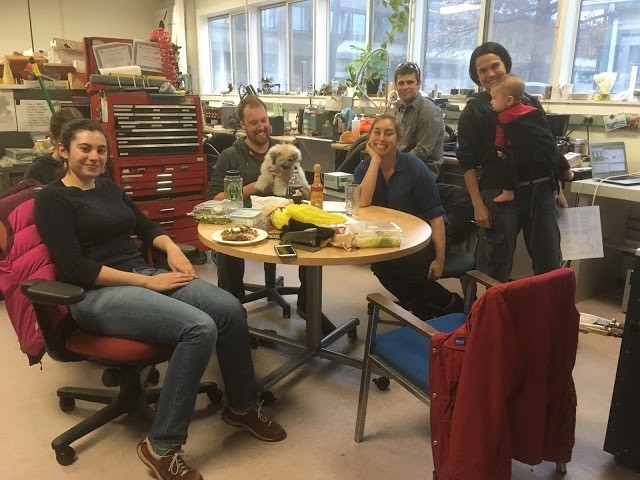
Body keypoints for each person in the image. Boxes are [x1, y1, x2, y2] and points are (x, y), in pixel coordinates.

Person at [34, 119, 286, 480]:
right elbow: (75, 268)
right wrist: (146, 283)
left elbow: (147, 228)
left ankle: (242, 407)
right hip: (95, 295)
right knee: (199, 328)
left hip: (142, 274)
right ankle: (161, 446)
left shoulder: (109, 188)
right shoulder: (52, 198)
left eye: (101, 149)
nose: (94, 157)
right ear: (63, 150)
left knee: (229, 309)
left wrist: (171, 249)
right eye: (84, 149)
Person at [206, 96, 336, 334]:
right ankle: (233, 318)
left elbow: (307, 192)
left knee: (313, 237)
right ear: (243, 125)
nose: (261, 127)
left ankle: (309, 305)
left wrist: (292, 179)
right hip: (244, 220)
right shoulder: (231, 155)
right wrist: (255, 185)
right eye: (253, 122)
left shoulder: (285, 150)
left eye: (264, 120)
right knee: (226, 250)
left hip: (282, 220)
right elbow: (214, 198)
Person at [456, 42, 563, 283]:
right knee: (495, 265)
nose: (490, 74)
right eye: (482, 71)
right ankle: (486, 316)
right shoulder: (474, 111)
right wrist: (477, 205)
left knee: (549, 261)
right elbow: (467, 162)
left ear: (506, 65)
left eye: (495, 66)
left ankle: (544, 317)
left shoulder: (531, 103)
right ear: (476, 76)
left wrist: (557, 189)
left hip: (541, 190)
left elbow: (546, 144)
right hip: (499, 195)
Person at [353, 114, 463, 320]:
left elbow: (436, 216)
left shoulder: (414, 167)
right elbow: (363, 202)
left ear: (399, 140)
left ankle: (451, 303)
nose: (381, 138)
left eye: (389, 133)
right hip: (394, 237)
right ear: (369, 137)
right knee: (381, 267)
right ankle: (422, 307)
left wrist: (440, 259)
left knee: (410, 270)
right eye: (376, 132)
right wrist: (375, 160)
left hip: (425, 236)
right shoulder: (364, 168)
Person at [490, 73, 573, 203]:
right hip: (543, 148)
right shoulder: (534, 110)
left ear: (509, 100)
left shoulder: (504, 116)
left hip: (522, 155)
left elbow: (500, 137)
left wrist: (500, 150)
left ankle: (508, 192)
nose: (491, 102)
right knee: (554, 151)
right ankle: (567, 172)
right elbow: (547, 131)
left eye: (494, 98)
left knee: (506, 165)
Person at [393, 62, 445, 179]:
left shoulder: (429, 110)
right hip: (401, 167)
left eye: (410, 82)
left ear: (419, 84)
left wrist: (393, 164)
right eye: (401, 83)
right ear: (395, 86)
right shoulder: (399, 108)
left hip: (421, 174)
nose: (405, 87)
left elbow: (422, 152)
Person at [23, 107, 84, 184]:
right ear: (53, 139)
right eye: (68, 139)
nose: (74, 144)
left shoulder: (88, 165)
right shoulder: (38, 170)